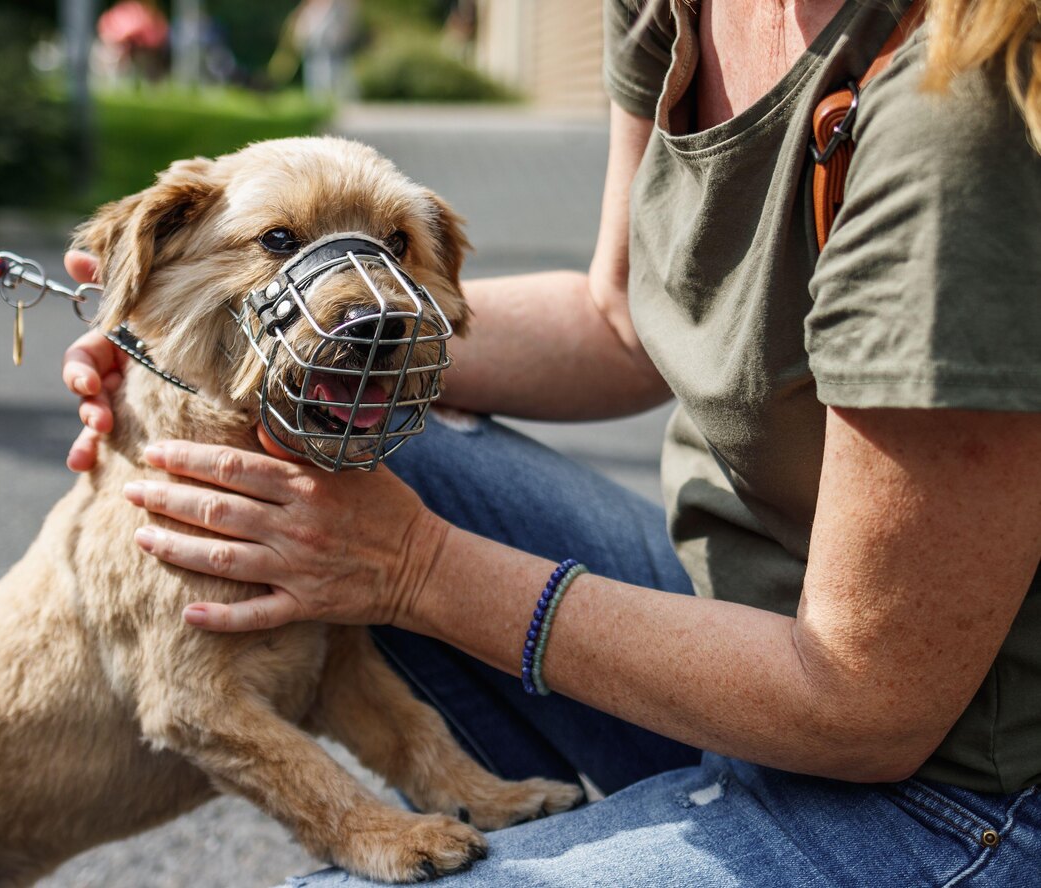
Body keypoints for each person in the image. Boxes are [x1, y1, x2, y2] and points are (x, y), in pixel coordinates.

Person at [59, 0, 1041, 883]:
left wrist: (417, 567)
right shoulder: (677, 8)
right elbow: (620, 321)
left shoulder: (954, 122)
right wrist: (237, 349)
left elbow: (866, 708)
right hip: (735, 620)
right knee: (323, 445)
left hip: (948, 786)